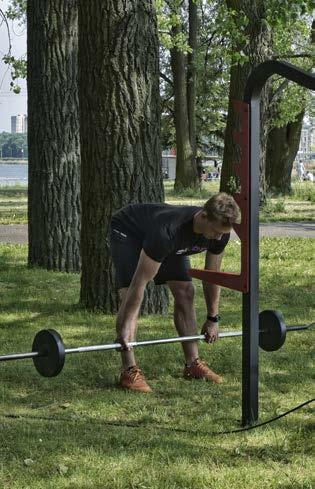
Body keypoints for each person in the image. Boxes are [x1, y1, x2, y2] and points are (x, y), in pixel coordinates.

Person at [110, 193, 241, 393]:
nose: (219, 237)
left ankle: (192, 365)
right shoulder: (168, 231)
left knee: (186, 291)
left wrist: (213, 318)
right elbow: (140, 282)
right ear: (203, 216)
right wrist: (126, 325)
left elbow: (212, 275)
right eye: (216, 231)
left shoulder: (219, 234)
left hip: (168, 242)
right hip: (129, 231)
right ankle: (129, 370)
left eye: (224, 233)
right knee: (129, 292)